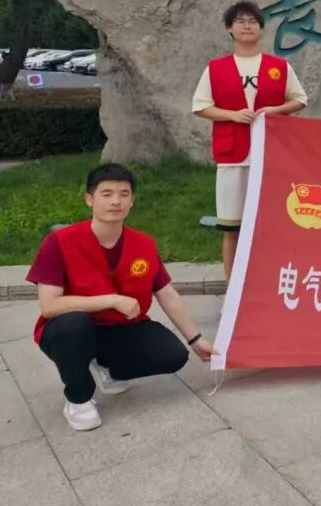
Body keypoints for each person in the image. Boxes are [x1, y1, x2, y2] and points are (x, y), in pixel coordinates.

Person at [27, 163, 216, 431]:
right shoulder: (59, 242)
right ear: (89, 199)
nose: (116, 201)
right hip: (70, 330)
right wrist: (112, 299)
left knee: (173, 355)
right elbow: (49, 306)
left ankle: (106, 366)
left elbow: (166, 293)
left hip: (120, 328)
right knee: (74, 325)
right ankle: (78, 398)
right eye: (107, 194)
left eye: (124, 194)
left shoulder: (144, 244)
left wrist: (196, 340)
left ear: (132, 201)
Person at [192, 0, 307, 280]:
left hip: (270, 156)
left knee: (270, 225)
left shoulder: (278, 66)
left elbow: (300, 99)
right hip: (232, 156)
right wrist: (231, 115)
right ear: (229, 29)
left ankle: (269, 281)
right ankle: (233, 286)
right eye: (240, 21)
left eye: (253, 21)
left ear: (261, 29)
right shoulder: (216, 68)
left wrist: (274, 110)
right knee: (232, 227)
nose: (247, 26)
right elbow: (201, 106)